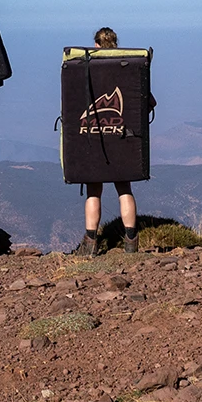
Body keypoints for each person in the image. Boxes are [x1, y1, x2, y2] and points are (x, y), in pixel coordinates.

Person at [75, 27, 142, 256]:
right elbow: (148, 101)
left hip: (92, 138)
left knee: (94, 190)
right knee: (124, 188)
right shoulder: (128, 68)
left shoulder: (83, 68)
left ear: (95, 45)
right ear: (115, 44)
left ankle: (90, 244)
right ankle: (131, 241)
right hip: (122, 138)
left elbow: (73, 103)